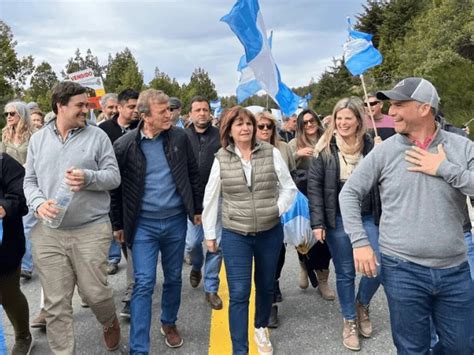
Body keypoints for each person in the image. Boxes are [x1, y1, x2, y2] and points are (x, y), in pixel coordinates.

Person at [339, 77, 474, 354]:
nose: (390, 112)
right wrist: (360, 242)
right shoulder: (385, 151)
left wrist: (444, 168)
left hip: (454, 269)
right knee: (412, 349)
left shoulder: (461, 146)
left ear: (424, 108)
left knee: (461, 347)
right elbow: (349, 194)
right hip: (403, 269)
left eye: (399, 105)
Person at [23, 81, 122, 353]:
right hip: (48, 232)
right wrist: (38, 203)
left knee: (95, 293)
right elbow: (29, 180)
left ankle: (108, 319)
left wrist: (89, 177)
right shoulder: (38, 139)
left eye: (87, 105)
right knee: (56, 304)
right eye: (79, 105)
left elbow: (114, 177)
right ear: (60, 106)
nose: (85, 110)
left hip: (91, 229)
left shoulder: (98, 137)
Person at [111, 89, 202, 352]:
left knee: (174, 277)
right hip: (142, 226)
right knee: (143, 283)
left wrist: (196, 208)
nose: (170, 115)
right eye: (163, 111)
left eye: (170, 110)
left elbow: (193, 174)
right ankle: (139, 347)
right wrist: (118, 224)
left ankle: (168, 322)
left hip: (175, 221)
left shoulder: (180, 138)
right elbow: (115, 190)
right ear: (145, 116)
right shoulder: (125, 145)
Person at [202, 106, 297, 355]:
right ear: (229, 130)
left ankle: (260, 328)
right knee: (240, 293)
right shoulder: (221, 158)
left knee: (266, 286)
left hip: (269, 233)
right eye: (239, 124)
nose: (245, 128)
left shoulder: (271, 152)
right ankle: (240, 349)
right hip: (236, 235)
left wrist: (275, 210)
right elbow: (211, 198)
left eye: (249, 124)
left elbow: (289, 188)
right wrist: (210, 234)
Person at [307, 97, 381, 351]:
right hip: (337, 218)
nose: (343, 122)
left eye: (348, 118)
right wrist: (318, 222)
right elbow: (314, 188)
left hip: (368, 215)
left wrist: (384, 153)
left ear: (359, 120)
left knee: (378, 267)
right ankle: (349, 319)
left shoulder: (372, 145)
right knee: (346, 271)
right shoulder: (324, 149)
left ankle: (363, 304)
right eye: (339, 118)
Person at [99, 88, 140, 319]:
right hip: (112, 199)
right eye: (131, 107)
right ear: (121, 107)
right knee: (123, 243)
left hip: (138, 199)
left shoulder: (144, 129)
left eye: (138, 106)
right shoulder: (103, 131)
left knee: (135, 247)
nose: (136, 111)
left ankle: (132, 295)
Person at [288, 109, 335, 300]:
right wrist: (297, 154)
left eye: (311, 120)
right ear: (299, 126)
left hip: (327, 194)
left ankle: (323, 280)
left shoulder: (328, 139)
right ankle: (304, 265)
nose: (309, 125)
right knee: (305, 236)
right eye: (304, 122)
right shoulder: (293, 143)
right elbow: (284, 166)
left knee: (325, 239)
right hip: (304, 196)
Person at [255, 110, 296, 328]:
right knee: (260, 261)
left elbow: (292, 176)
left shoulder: (283, 148)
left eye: (268, 127)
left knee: (277, 255)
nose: (263, 130)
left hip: (279, 211)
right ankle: (268, 304)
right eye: (260, 126)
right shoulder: (246, 148)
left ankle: (274, 281)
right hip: (254, 213)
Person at [184, 96, 223, 310]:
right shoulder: (182, 137)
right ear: (190, 114)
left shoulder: (220, 137)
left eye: (205, 109)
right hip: (191, 201)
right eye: (197, 109)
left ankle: (211, 288)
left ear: (210, 113)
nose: (201, 113)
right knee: (191, 243)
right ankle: (197, 265)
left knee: (216, 245)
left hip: (217, 200)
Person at [0, 153, 32, 354]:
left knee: (7, 295)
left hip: (6, 248)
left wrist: (4, 207)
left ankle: (23, 335)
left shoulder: (4, 163)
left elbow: (22, 196)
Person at [1, 101, 35, 281]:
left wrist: (22, 167)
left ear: (21, 114)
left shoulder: (33, 135)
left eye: (12, 113)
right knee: (14, 224)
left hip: (28, 182)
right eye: (6, 114)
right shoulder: (4, 135)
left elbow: (36, 159)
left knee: (27, 225)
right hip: (10, 187)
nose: (8, 117)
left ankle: (27, 266)